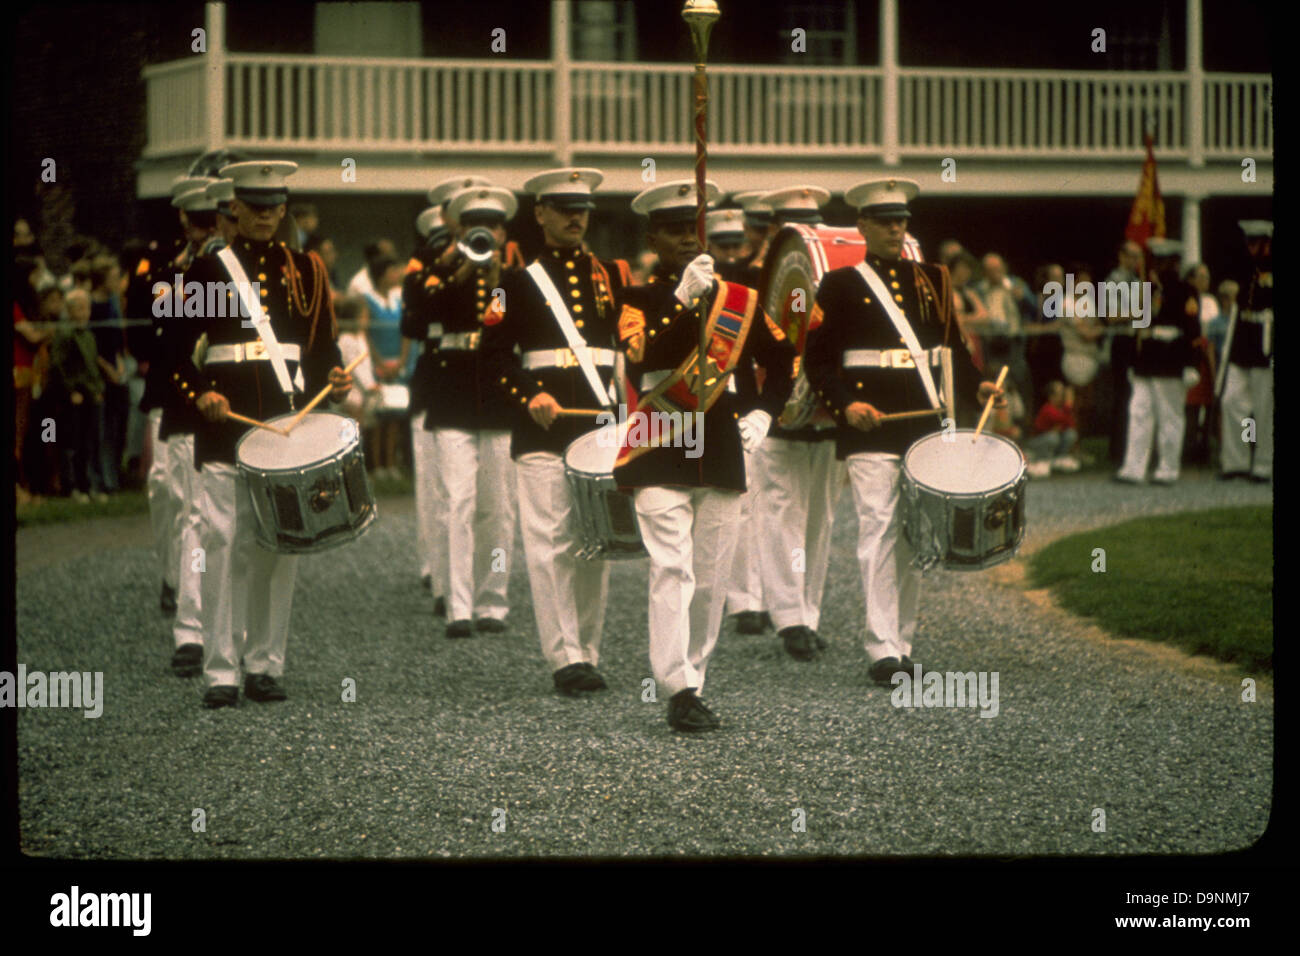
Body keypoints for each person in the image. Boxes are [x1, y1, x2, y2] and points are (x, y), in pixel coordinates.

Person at [803, 177, 1004, 686]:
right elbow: (819, 361)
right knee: (879, 527)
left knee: (917, 535)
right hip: (871, 425)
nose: (896, 229)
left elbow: (952, 349)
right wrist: (846, 405)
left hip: (922, 419)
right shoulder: (841, 285)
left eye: (902, 221)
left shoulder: (932, 279)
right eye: (886, 221)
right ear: (863, 226)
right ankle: (881, 649)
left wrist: (977, 387)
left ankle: (903, 642)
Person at [167, 159, 352, 708]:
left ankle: (265, 664)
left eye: (276, 207)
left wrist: (334, 382)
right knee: (225, 542)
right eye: (256, 207)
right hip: (226, 422)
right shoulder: (206, 271)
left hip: (286, 422)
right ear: (235, 210)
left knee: (280, 544)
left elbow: (320, 351)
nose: (267, 216)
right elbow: (174, 349)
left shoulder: (308, 269)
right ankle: (222, 669)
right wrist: (199, 391)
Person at [613, 178, 795, 731]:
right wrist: (679, 300)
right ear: (653, 238)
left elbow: (783, 359)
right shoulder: (637, 300)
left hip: (718, 445)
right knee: (672, 567)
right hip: (661, 439)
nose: (686, 240)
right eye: (672, 231)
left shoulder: (739, 301)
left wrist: (764, 411)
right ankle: (677, 688)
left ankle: (695, 677)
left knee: (712, 576)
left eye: (692, 228)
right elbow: (644, 354)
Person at [480, 166, 631, 694]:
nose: (575, 217)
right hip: (543, 428)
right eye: (564, 208)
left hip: (598, 427)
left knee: (596, 541)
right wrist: (530, 393)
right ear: (540, 213)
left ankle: (588, 650)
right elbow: (493, 355)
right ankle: (564, 656)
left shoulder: (615, 276)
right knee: (549, 543)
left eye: (582, 209)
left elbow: (629, 353)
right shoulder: (512, 284)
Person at [421, 185, 522, 638]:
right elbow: (416, 314)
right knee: (457, 500)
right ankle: (458, 605)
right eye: (477, 225)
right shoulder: (439, 271)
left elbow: (512, 323)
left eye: (495, 226)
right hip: (453, 394)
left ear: (504, 232)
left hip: (499, 396)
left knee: (498, 506)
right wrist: (456, 273)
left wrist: (500, 277)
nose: (488, 233)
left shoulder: (516, 276)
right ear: (460, 229)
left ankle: (493, 602)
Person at [752, 184, 842, 662]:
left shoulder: (831, 277)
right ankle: (789, 618)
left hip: (823, 412)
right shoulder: (750, 276)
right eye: (792, 227)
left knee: (820, 517)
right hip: (775, 411)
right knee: (780, 513)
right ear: (775, 230)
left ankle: (809, 611)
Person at [1115, 238, 1200, 485]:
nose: (1159, 266)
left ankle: (1168, 468)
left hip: (1171, 359)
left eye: (1165, 262)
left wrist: (1191, 364)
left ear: (1174, 264)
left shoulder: (1186, 291)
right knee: (1138, 412)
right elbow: (1138, 329)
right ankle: (1134, 467)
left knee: (1169, 416)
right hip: (1146, 361)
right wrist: (1133, 361)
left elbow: (1193, 332)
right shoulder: (1147, 290)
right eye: (1157, 261)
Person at [1217, 221, 1272, 482]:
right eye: (1248, 242)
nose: (1251, 247)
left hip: (1266, 343)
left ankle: (1264, 464)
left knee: (1264, 409)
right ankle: (1235, 462)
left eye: (1256, 243)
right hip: (1244, 342)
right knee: (1231, 401)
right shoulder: (1243, 269)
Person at [50, 287, 106, 503]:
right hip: (74, 396)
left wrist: (98, 388)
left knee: (89, 443)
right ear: (70, 311)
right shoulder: (65, 334)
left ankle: (88, 484)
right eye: (79, 308)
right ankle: (71, 486)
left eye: (87, 308)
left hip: (91, 395)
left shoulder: (89, 335)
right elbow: (58, 366)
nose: (84, 313)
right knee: (70, 442)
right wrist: (70, 390)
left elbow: (92, 365)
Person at [1025, 380, 1080, 476]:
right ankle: (1043, 460)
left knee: (1071, 434)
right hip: (1036, 444)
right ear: (1051, 396)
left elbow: (1071, 424)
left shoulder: (1062, 409)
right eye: (1060, 394)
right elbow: (1059, 419)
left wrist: (1067, 408)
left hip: (1054, 442)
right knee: (1052, 437)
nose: (1063, 397)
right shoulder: (1047, 409)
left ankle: (1060, 458)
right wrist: (1068, 404)